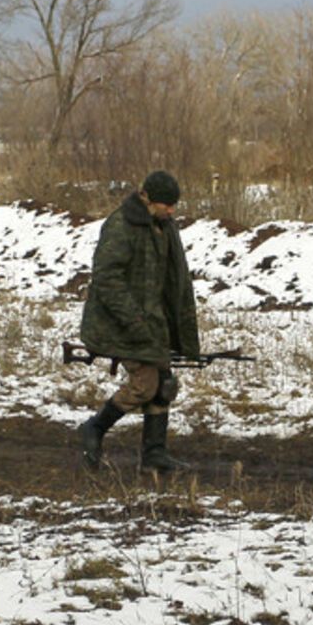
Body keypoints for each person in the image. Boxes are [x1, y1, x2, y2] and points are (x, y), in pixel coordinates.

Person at [76, 170, 201, 472]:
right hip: (117, 323)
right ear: (147, 198)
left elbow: (173, 279)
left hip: (152, 322)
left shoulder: (164, 226)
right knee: (146, 385)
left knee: (163, 385)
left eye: (174, 205)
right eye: (166, 205)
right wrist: (134, 321)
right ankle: (94, 428)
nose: (171, 211)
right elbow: (107, 281)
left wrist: (175, 326)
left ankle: (154, 454)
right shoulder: (119, 226)